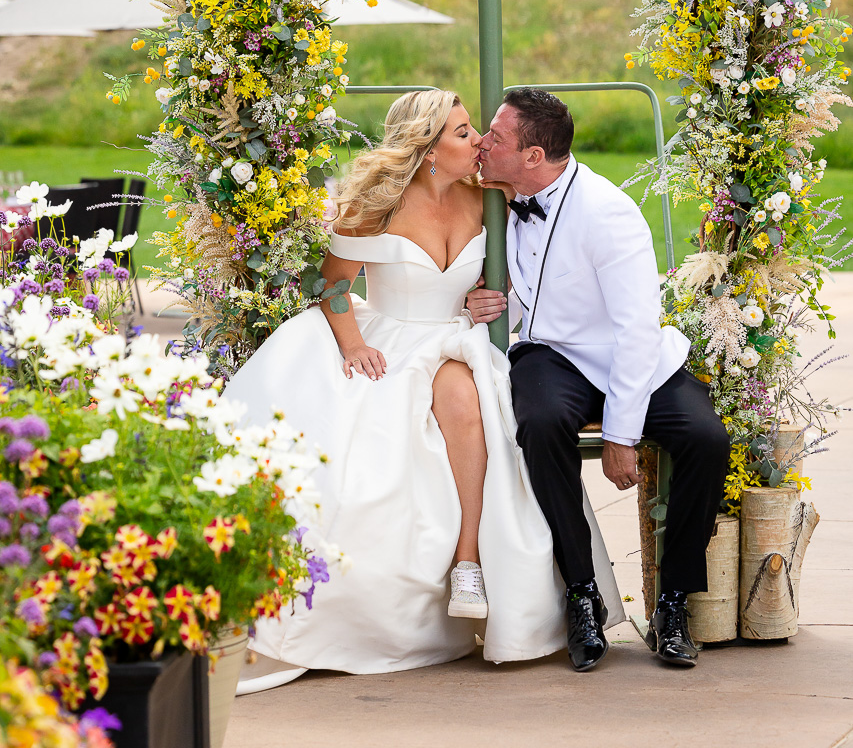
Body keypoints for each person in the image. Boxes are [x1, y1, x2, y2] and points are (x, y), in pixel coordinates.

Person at [226, 89, 623, 691]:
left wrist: (492, 300)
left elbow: (518, 276)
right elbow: (333, 286)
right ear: (429, 148)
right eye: (465, 133)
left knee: (465, 398)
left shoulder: (492, 199)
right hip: (390, 336)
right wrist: (355, 345)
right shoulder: (375, 205)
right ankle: (396, 592)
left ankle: (470, 561)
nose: (481, 143)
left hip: (456, 338)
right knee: (366, 459)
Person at [471, 87, 730, 672]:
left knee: (707, 439)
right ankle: (581, 592)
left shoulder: (609, 213)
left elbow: (638, 331)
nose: (485, 143)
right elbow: (536, 293)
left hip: (629, 358)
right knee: (538, 422)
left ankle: (673, 600)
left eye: (498, 137)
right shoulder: (498, 196)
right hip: (553, 355)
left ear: (534, 156)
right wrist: (495, 304)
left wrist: (620, 435)